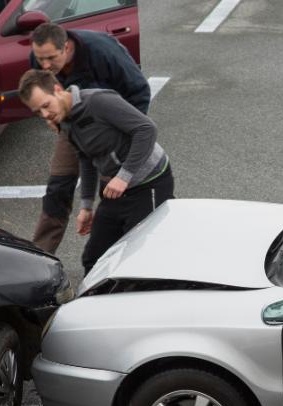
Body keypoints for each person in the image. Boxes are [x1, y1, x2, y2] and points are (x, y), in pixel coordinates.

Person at [18, 69, 174, 274]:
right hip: (115, 189)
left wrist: (124, 176)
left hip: (149, 181)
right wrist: (86, 206)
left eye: (46, 105)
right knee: (94, 257)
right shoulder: (65, 120)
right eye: (38, 112)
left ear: (57, 89)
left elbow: (147, 129)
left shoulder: (98, 101)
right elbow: (86, 158)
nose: (45, 115)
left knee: (137, 255)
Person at [28, 22, 151, 253]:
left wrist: (124, 135)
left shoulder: (103, 52)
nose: (44, 65)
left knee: (118, 190)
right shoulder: (40, 58)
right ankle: (41, 256)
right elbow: (41, 94)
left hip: (113, 125)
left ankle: (127, 254)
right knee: (57, 188)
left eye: (51, 58)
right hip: (72, 126)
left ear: (66, 47)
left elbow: (140, 91)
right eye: (39, 59)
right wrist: (53, 120)